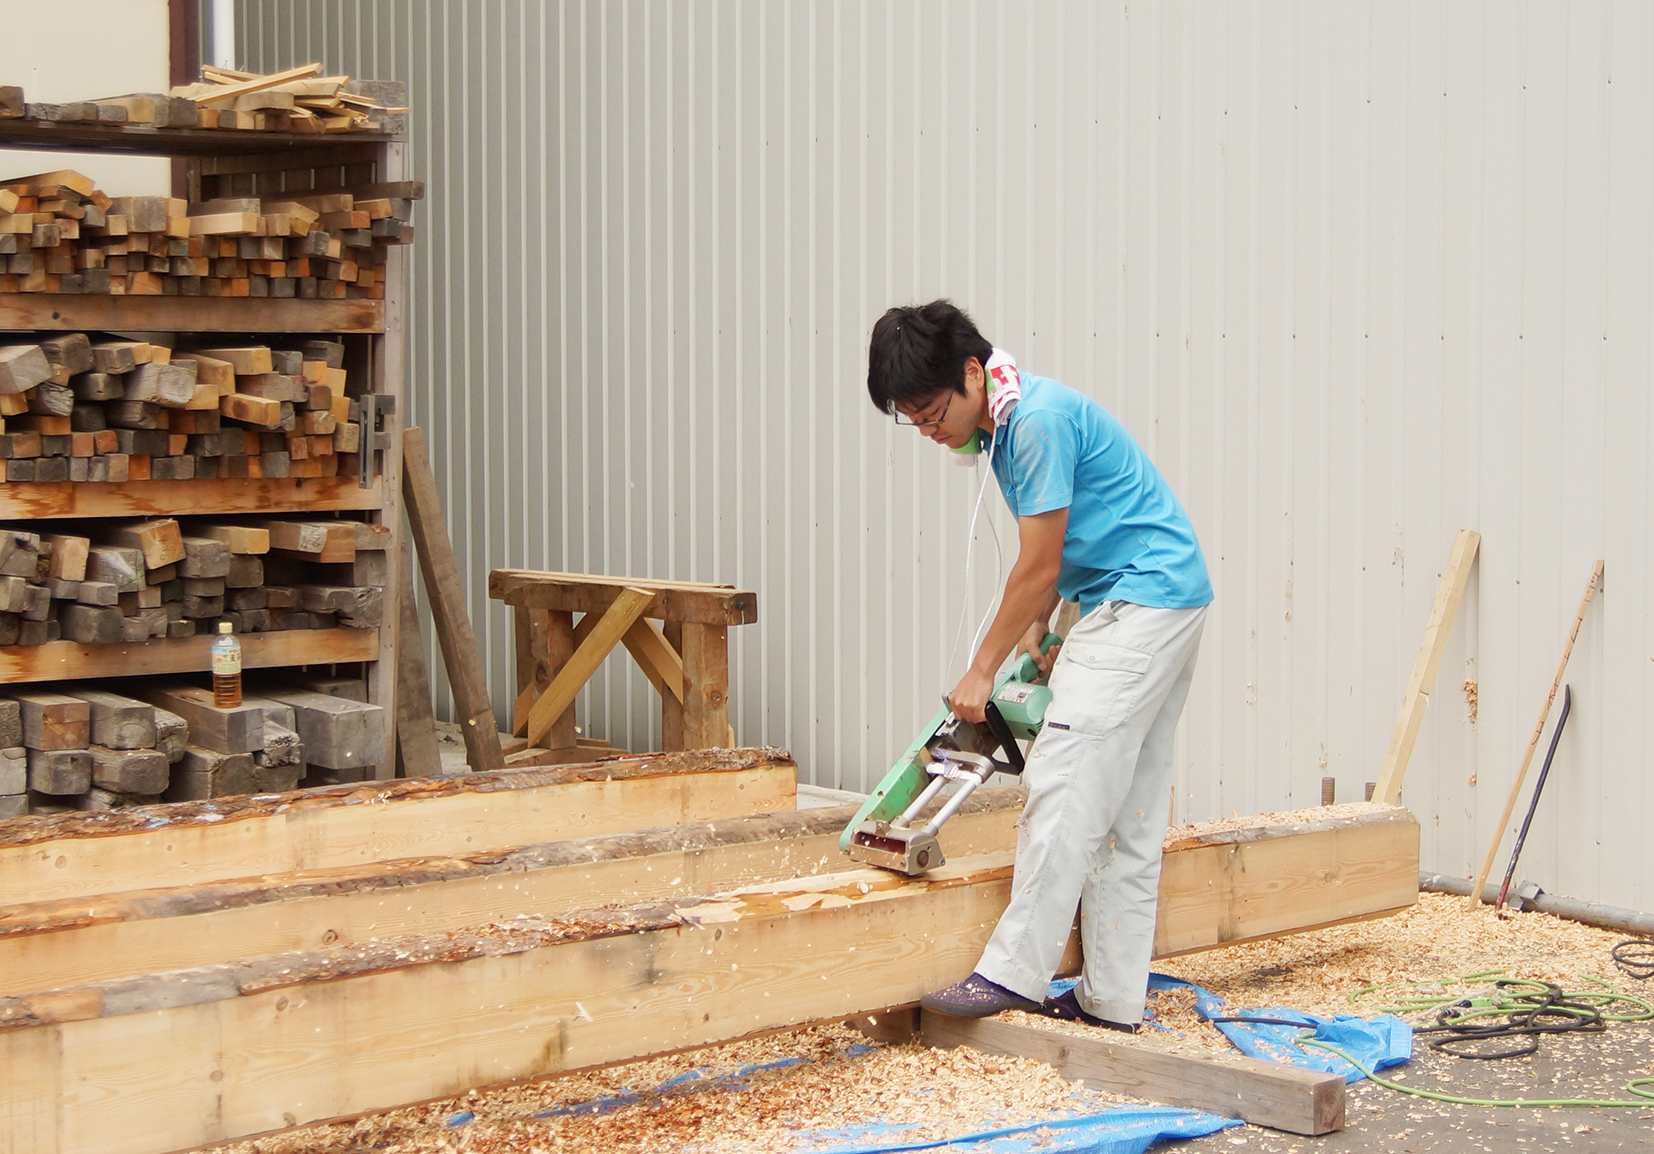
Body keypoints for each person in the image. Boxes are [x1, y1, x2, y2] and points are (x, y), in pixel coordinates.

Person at [864, 300, 1213, 1030]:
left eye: (933, 413)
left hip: (1139, 600)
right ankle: (1112, 1001)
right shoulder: (1009, 424)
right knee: (1125, 812)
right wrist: (1047, 630)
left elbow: (1038, 559)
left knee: (1064, 777)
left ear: (970, 372)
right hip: (1157, 594)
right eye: (915, 421)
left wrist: (981, 668)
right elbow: (1067, 545)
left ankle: (1013, 974)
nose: (930, 431)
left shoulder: (1036, 425)